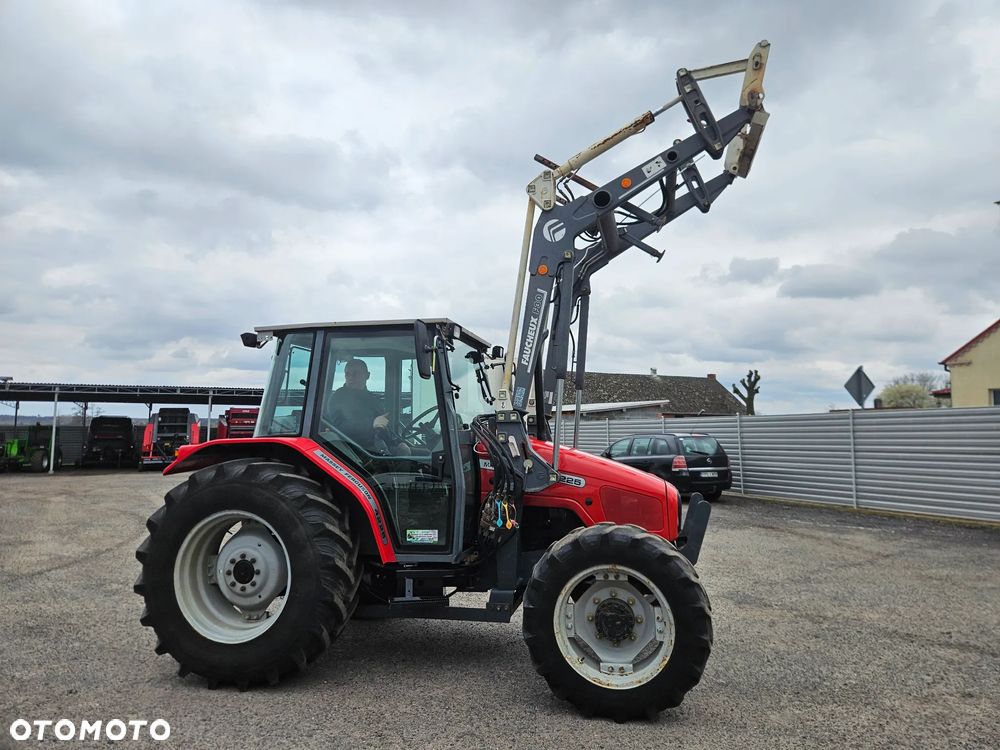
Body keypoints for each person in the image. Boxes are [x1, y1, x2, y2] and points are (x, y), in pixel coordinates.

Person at [327, 358, 409, 454]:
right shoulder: (338, 398)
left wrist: (398, 442)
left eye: (355, 374)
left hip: (376, 446)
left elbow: (383, 424)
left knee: (409, 452)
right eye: (347, 374)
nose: (350, 377)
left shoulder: (372, 399)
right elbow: (337, 428)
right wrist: (372, 424)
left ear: (367, 375)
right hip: (353, 451)